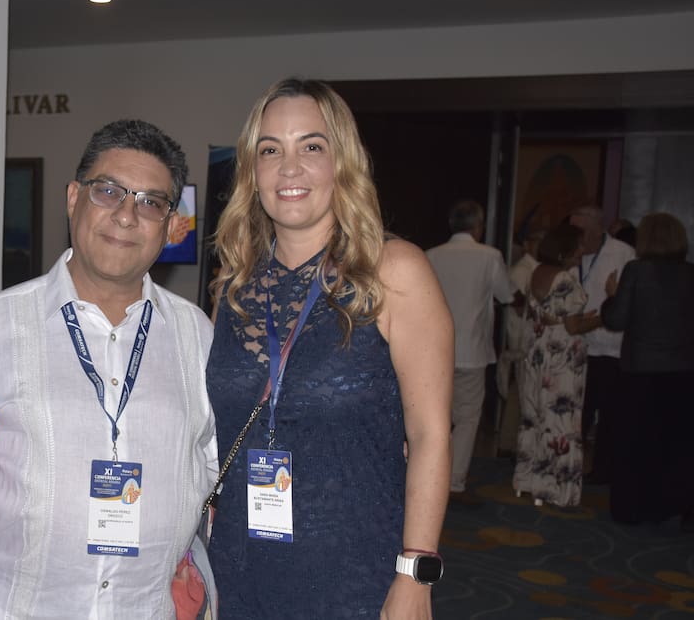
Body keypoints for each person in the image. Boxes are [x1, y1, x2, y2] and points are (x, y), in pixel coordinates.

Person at [206, 78, 452, 618]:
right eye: (270, 150)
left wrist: (417, 569)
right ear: (252, 171)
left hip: (354, 572)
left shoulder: (396, 272)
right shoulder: (234, 286)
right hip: (240, 567)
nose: (289, 168)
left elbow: (430, 435)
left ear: (343, 162)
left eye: (311, 147)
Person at [0, 120, 218, 618]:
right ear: (74, 197)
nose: (126, 216)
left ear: (169, 225)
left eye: (150, 202)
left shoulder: (198, 337)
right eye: (109, 191)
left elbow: (207, 467)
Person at [601, 212, 694, 528]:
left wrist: (611, 296)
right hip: (682, 372)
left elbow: (616, 320)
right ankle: (669, 507)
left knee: (633, 442)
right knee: (673, 444)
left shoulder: (636, 271)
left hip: (639, 371)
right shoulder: (690, 275)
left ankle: (630, 509)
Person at [426, 200, 518, 501]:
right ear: (478, 226)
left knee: (433, 416)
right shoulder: (490, 256)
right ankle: (452, 480)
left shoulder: (431, 255)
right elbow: (507, 295)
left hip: (433, 350)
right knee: (466, 418)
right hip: (471, 350)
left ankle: (427, 473)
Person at [512, 224, 600, 508]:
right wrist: (602, 318)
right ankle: (555, 490)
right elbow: (573, 326)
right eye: (579, 245)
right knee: (561, 420)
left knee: (534, 416)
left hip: (539, 351)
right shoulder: (564, 279)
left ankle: (526, 482)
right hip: (561, 357)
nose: (582, 250)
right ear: (566, 250)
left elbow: (551, 315)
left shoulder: (537, 271)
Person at [568, 205, 634, 486]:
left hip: (608, 346)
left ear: (597, 229)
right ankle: (568, 466)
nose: (575, 235)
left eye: (579, 230)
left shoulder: (622, 253)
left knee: (606, 414)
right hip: (575, 343)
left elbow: (628, 300)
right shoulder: (569, 250)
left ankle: (602, 471)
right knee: (574, 412)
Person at [496, 228, 546, 456]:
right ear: (527, 244)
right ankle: (516, 446)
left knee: (521, 394)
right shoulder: (522, 270)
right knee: (524, 393)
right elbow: (517, 308)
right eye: (538, 241)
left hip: (529, 342)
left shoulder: (536, 269)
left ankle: (512, 444)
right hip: (524, 341)